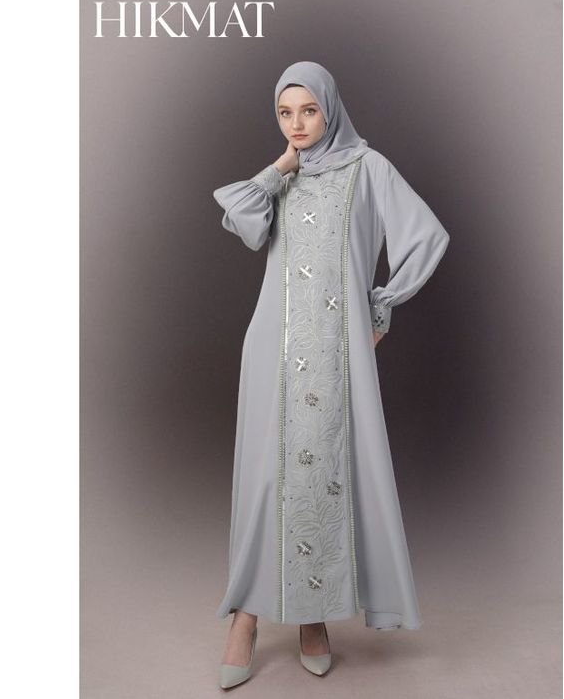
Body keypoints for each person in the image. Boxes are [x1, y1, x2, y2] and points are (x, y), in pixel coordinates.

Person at [212, 61, 451, 688]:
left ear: (331, 109)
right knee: (265, 480)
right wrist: (280, 168)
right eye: (284, 113)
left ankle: (312, 616)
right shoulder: (281, 178)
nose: (296, 124)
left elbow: (426, 236)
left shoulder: (368, 169)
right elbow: (241, 215)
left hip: (336, 355)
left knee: (324, 480)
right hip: (273, 349)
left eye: (308, 111)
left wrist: (381, 305)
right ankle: (244, 619)